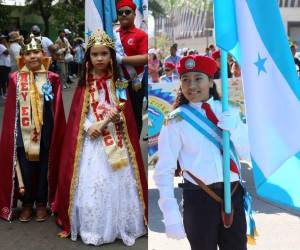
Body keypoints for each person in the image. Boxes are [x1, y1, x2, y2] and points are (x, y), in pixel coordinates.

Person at [53, 29, 147, 247]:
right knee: (94, 180)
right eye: (95, 54)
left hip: (116, 139)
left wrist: (117, 118)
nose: (100, 58)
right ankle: (94, 225)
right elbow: (79, 114)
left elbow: (125, 111)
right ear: (88, 57)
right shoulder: (84, 83)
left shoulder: (119, 82)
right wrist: (89, 126)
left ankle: (120, 222)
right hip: (92, 141)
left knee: (119, 179)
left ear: (111, 55)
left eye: (104, 54)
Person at [154, 55, 254, 250]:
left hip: (232, 193)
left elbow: (248, 155)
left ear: (210, 80)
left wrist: (236, 130)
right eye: (185, 79)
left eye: (198, 78)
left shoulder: (229, 111)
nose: (192, 85)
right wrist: (170, 212)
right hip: (198, 198)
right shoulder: (175, 121)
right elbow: (164, 170)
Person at [0, 36, 66, 222]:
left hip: (45, 133)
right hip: (22, 134)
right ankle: (27, 204)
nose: (32, 56)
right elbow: (11, 111)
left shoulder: (52, 78)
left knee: (44, 168)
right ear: (22, 57)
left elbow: (57, 108)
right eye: (27, 53)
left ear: (43, 54)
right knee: (26, 169)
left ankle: (42, 203)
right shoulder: (15, 79)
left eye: (35, 52)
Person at [115, 0, 148, 137]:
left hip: (135, 83)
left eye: (127, 12)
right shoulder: (113, 35)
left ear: (134, 14)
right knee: (118, 116)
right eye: (120, 12)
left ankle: (135, 149)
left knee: (134, 116)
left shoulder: (141, 35)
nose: (123, 15)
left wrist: (122, 59)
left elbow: (145, 57)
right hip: (118, 83)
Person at [0, 34, 11, 99]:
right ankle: (4, 93)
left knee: (6, 80)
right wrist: (6, 44)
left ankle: (5, 93)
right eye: (3, 39)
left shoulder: (2, 46)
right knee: (4, 80)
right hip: (3, 65)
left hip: (5, 65)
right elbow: (7, 52)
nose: (5, 40)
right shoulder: (1, 46)